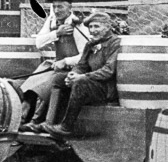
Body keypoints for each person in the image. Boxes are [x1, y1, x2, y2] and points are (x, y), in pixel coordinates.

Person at [31, 12, 121, 140]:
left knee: (80, 83)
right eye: (90, 27)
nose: (92, 30)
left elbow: (108, 70)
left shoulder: (115, 43)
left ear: (107, 27)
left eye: (97, 27)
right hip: (91, 82)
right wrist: (73, 74)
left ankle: (66, 127)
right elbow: (81, 65)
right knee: (58, 79)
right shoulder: (91, 44)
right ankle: (49, 122)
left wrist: (82, 77)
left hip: (105, 88)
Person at [18, 0, 88, 130]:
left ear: (69, 8)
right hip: (57, 65)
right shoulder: (51, 22)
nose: (56, 10)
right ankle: (23, 116)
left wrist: (66, 61)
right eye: (54, 7)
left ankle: (36, 120)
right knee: (34, 80)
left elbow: (85, 56)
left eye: (60, 7)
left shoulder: (77, 26)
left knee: (49, 82)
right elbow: (38, 42)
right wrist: (56, 33)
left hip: (75, 69)